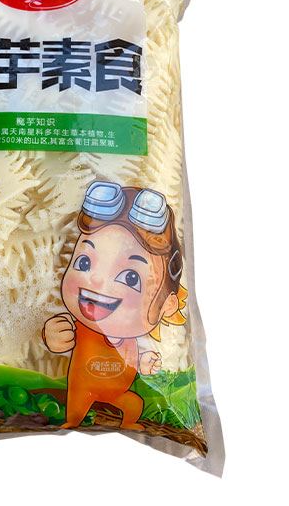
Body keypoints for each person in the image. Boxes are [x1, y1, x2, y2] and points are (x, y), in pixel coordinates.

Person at [42, 182, 187, 429]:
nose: (97, 280)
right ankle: (72, 420)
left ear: (168, 305)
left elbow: (137, 357)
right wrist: (53, 336)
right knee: (75, 407)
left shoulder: (136, 338)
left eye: (131, 277)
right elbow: (62, 339)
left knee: (134, 405)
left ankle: (128, 422)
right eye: (84, 262)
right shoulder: (82, 326)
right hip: (81, 387)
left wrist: (145, 363)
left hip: (120, 391)